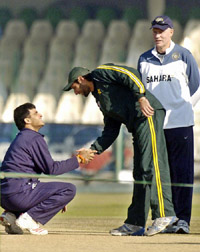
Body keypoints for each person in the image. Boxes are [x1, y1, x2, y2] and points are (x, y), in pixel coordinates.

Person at [63, 63, 178, 236]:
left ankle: (165, 214)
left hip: (147, 114)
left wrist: (141, 97)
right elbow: (111, 129)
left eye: (75, 87)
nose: (76, 92)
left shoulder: (101, 73)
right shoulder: (100, 98)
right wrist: (93, 150)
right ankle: (135, 223)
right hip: (136, 125)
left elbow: (130, 74)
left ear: (81, 79)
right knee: (140, 172)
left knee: (152, 164)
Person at [137, 15, 200, 234]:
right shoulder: (144, 59)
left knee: (182, 173)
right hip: (156, 126)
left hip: (181, 124)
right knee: (160, 175)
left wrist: (182, 110)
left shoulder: (184, 55)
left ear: (171, 32)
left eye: (162, 30)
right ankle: (165, 218)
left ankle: (182, 220)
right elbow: (141, 92)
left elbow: (196, 88)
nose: (158, 34)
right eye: (155, 30)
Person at [0, 103, 96, 235]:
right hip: (18, 194)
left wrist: (51, 195)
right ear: (27, 120)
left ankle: (11, 216)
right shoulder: (32, 137)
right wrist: (79, 159)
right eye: (35, 113)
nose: (40, 115)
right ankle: (29, 219)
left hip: (5, 197)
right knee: (68, 189)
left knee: (51, 189)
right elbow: (51, 169)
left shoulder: (21, 137)